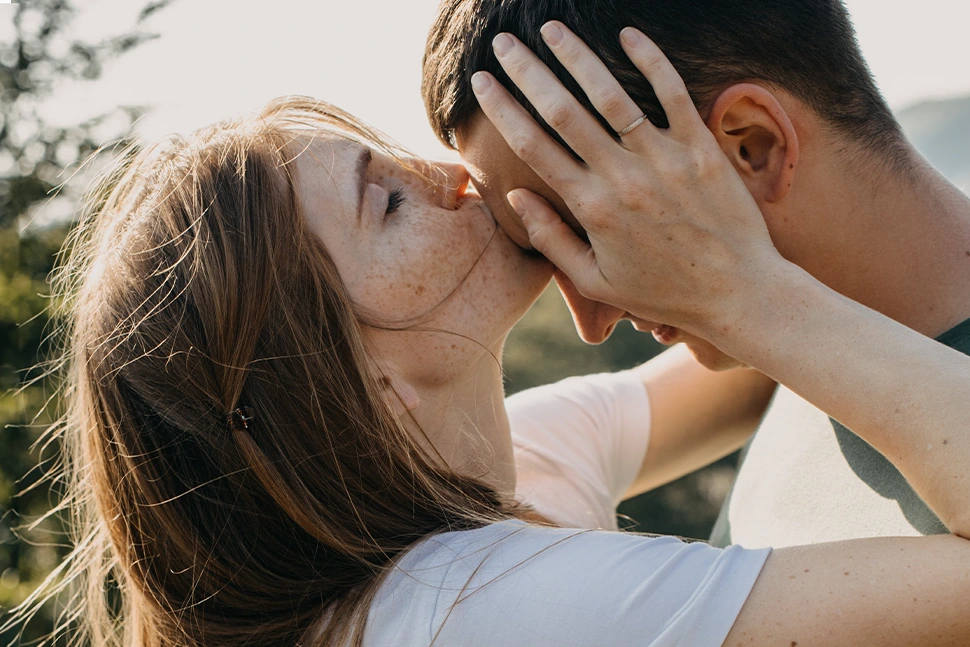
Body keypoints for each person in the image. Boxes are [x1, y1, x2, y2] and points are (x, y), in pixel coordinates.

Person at [12, 91, 970, 647]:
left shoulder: (474, 488)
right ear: (344, 381)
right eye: (386, 201)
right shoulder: (473, 610)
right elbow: (775, 329)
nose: (451, 177)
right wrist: (746, 294)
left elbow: (760, 363)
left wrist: (688, 261)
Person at [421, 0, 970, 547]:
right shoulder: (781, 354)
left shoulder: (774, 322)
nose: (592, 323)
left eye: (597, 230)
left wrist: (748, 302)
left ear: (755, 146)